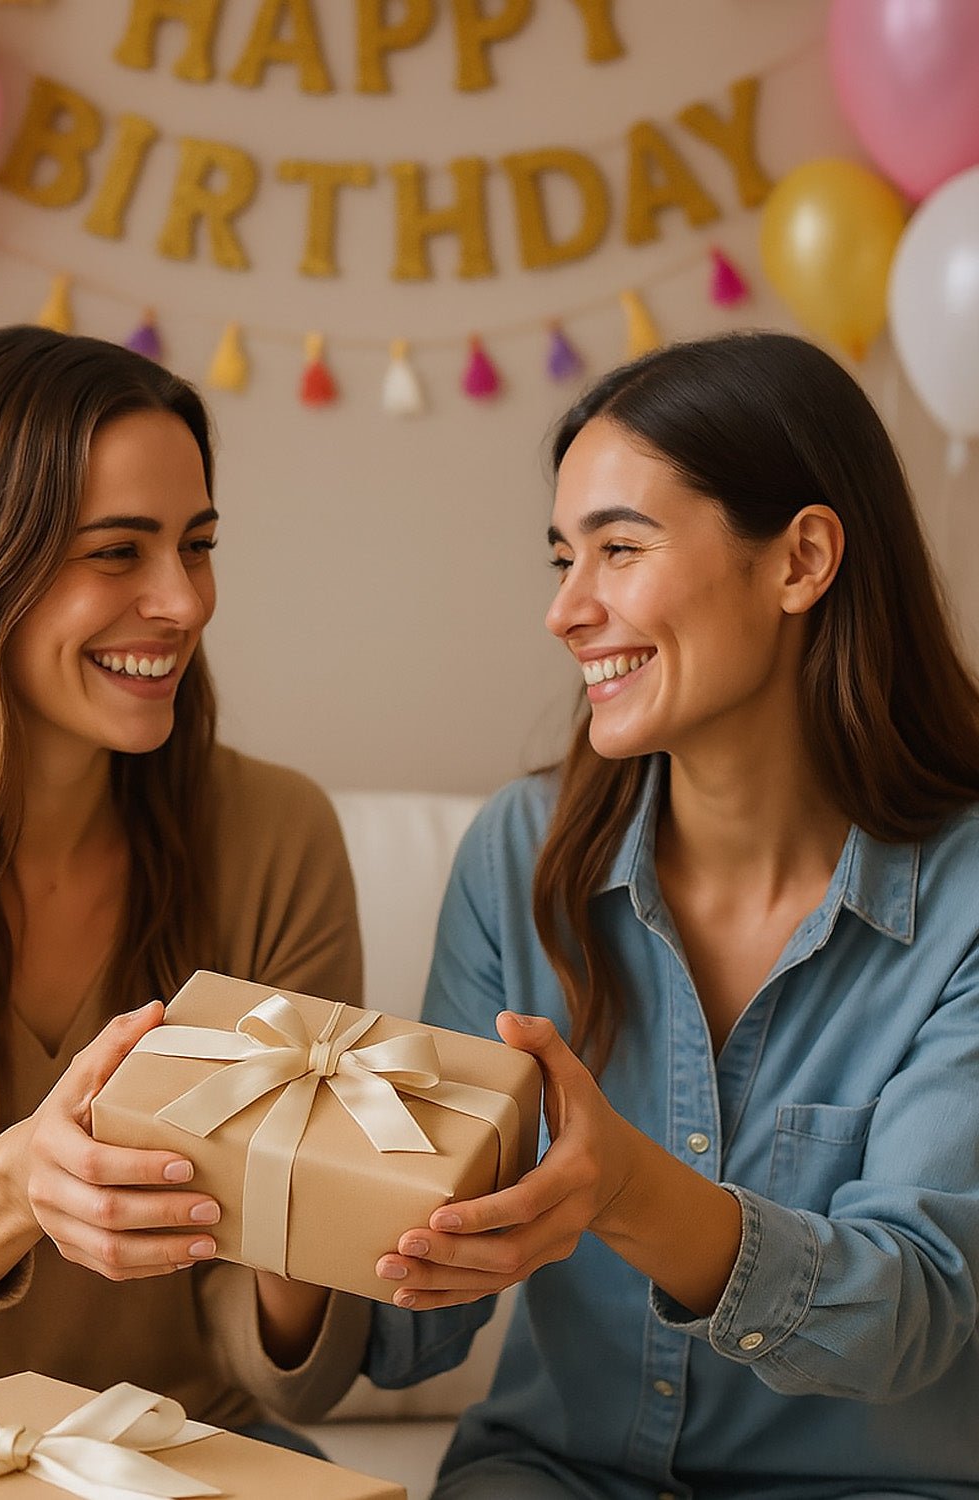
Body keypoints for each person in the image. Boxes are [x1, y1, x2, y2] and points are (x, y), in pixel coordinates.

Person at [276, 332, 979, 1497]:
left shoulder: (962, 897)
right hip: (550, 1477)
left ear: (800, 560)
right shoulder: (521, 853)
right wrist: (268, 1191)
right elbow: (408, 1333)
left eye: (619, 548)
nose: (566, 610)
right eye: (563, 556)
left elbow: (908, 1310)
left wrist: (627, 1192)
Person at [0, 326, 369, 1438]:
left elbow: (296, 1379)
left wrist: (326, 1220)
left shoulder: (277, 837)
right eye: (117, 552)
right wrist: (13, 1188)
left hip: (178, 1447)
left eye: (197, 545)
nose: (185, 603)